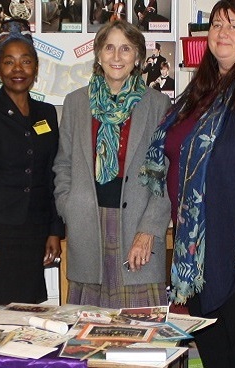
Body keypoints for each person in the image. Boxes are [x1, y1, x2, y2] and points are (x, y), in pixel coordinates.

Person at [139, 1, 235, 366]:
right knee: (215, 350)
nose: (222, 32)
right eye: (217, 24)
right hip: (198, 247)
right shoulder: (203, 88)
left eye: (234, 26)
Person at [53, 19, 171, 309]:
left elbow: (164, 175)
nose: (116, 57)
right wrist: (67, 205)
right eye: (109, 48)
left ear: (138, 58)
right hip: (87, 226)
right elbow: (63, 164)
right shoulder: (75, 103)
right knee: (89, 332)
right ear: (98, 54)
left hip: (137, 227)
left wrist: (149, 230)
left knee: (141, 333)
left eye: (126, 49)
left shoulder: (158, 105)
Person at [0, 18, 64, 305]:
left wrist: (55, 230)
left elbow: (51, 175)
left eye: (26, 62)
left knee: (28, 316)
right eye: (9, 62)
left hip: (34, 233)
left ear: (36, 69)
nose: (18, 69)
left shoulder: (47, 114)